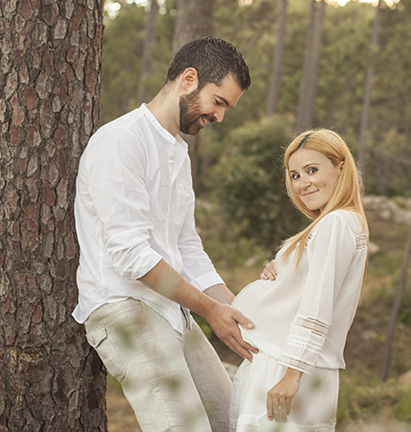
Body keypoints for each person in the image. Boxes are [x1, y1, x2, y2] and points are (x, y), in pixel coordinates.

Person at [74, 36, 256, 430]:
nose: (219, 117)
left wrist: (238, 309)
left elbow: (187, 246)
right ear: (189, 79)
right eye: (219, 102)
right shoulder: (121, 141)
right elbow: (131, 256)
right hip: (126, 308)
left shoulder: (178, 152)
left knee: (234, 420)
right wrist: (210, 311)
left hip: (174, 310)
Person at [229, 129, 370, 431]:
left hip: (288, 366)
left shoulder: (336, 223)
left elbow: (317, 306)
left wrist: (292, 374)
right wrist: (283, 269)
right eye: (294, 176)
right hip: (290, 363)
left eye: (312, 170)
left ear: (341, 169)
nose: (302, 183)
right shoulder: (338, 224)